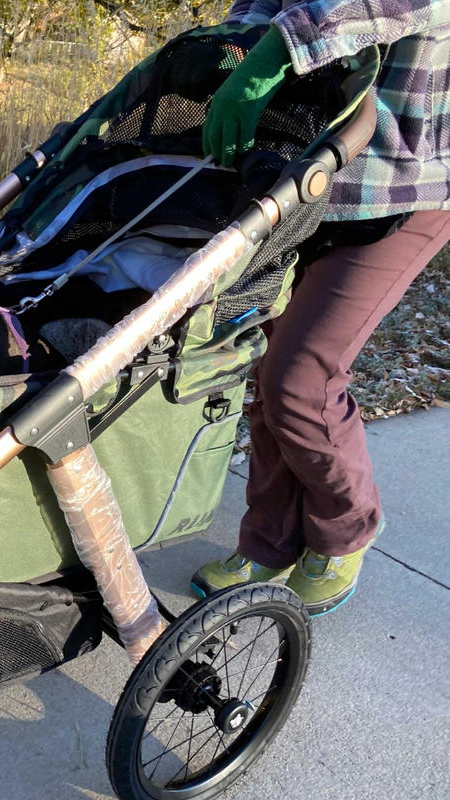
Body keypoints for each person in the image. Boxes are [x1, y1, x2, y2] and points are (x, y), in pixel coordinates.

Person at [190, 0, 450, 615]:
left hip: (405, 186)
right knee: (263, 364)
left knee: (301, 378)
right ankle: (270, 539)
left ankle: (346, 525)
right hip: (302, 177)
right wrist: (231, 45)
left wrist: (276, 51)